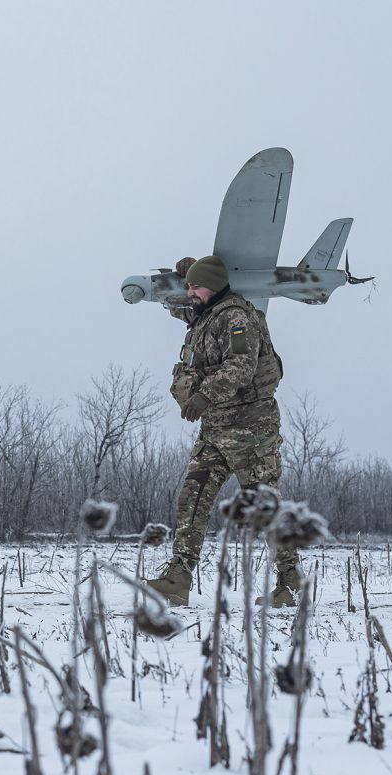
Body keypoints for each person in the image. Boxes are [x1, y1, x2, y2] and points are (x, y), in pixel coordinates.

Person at [146, 255, 295, 606]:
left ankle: (290, 582)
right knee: (192, 498)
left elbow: (242, 365)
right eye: (189, 287)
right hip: (215, 430)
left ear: (213, 287)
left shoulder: (236, 317)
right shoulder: (205, 314)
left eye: (196, 287)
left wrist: (203, 396)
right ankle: (178, 578)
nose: (190, 293)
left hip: (250, 430)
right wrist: (185, 274)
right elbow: (182, 306)